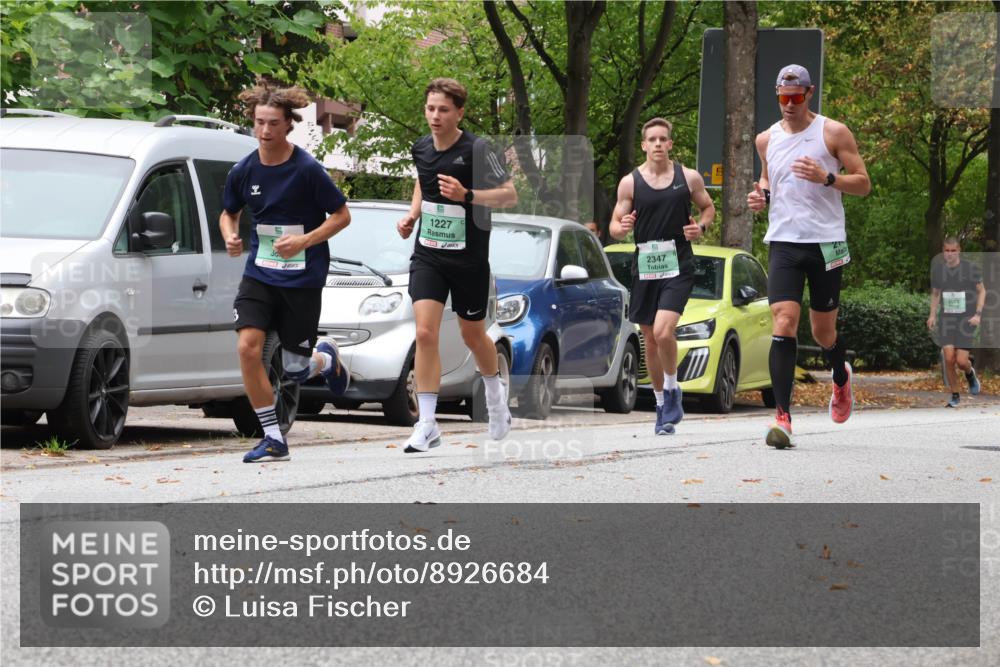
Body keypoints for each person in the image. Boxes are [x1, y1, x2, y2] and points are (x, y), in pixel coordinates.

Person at [220, 84, 352, 463]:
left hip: (302, 278)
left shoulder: (307, 169)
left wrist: (304, 241)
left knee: (295, 369)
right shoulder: (244, 170)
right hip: (260, 274)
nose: (264, 131)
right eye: (259, 123)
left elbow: (342, 216)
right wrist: (230, 234)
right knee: (248, 348)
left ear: (287, 125)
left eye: (273, 124)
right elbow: (229, 211)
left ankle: (325, 360)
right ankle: (273, 437)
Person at [747, 64, 871, 449]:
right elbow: (769, 178)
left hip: (827, 242)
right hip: (784, 241)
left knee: (822, 332)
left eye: (795, 97)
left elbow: (863, 184)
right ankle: (783, 417)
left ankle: (840, 376)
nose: (788, 104)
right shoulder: (765, 139)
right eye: (782, 97)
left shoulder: (832, 132)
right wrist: (762, 195)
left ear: (809, 93)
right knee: (783, 321)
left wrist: (828, 178)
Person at [397, 78, 519, 453]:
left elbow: (510, 195)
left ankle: (496, 399)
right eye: (430, 108)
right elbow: (423, 181)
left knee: (472, 335)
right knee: (426, 332)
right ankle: (428, 423)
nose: (435, 116)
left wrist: (468, 195)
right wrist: (413, 214)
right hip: (429, 255)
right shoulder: (421, 147)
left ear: (459, 113)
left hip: (468, 259)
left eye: (443, 109)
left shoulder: (478, 149)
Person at [609, 118, 715, 436]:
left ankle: (672, 390)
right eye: (651, 139)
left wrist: (702, 227)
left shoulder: (688, 177)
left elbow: (708, 208)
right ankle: (660, 408)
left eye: (662, 139)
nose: (657, 144)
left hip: (678, 263)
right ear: (644, 145)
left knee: (664, 331)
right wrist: (621, 227)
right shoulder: (630, 182)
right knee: (651, 341)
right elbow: (614, 225)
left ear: (670, 144)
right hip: (645, 265)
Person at [927, 237, 984, 407]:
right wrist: (932, 315)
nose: (950, 254)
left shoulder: (970, 268)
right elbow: (936, 294)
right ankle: (955, 394)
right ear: (943, 252)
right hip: (947, 319)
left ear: (959, 251)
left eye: (953, 251)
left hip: (966, 320)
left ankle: (969, 372)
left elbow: (982, 292)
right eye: (947, 251)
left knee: (961, 361)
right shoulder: (938, 271)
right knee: (949, 358)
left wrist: (978, 315)